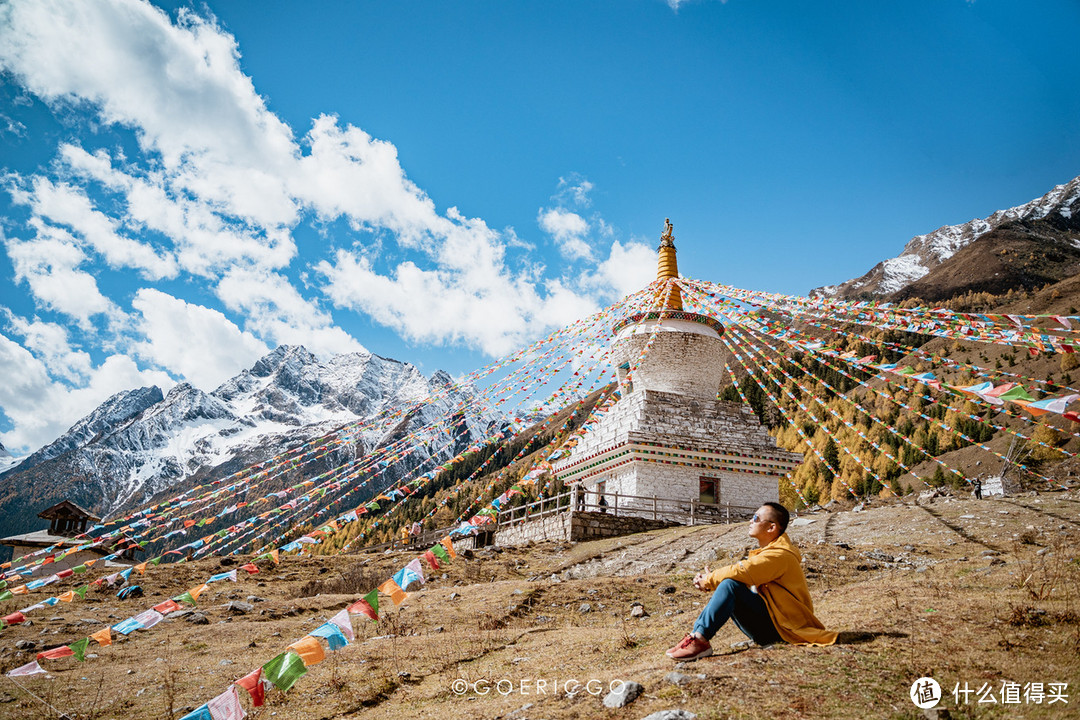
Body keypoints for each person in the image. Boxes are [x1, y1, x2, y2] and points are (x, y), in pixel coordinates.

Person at [666, 502, 837, 661]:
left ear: (771, 527)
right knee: (731, 584)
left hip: (785, 630)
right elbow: (744, 575)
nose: (750, 521)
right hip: (776, 624)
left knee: (730, 585)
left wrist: (710, 579)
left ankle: (700, 640)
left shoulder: (780, 555)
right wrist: (709, 579)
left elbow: (744, 571)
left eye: (756, 518)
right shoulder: (772, 552)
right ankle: (696, 636)